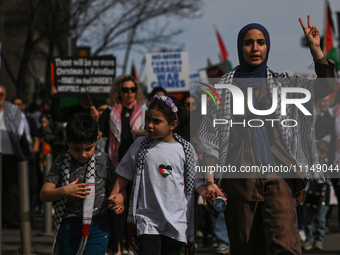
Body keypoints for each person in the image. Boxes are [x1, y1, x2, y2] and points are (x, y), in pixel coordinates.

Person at [198, 16, 335, 254]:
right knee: (246, 247)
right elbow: (210, 142)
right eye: (248, 43)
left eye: (261, 42)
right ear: (240, 47)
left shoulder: (284, 85)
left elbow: (326, 86)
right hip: (239, 181)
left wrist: (316, 51)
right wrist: (210, 181)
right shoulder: (221, 90)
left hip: (279, 176)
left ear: (267, 46)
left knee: (285, 246)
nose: (255, 48)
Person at [108, 94, 204, 255]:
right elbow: (124, 175)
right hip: (147, 219)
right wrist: (114, 196)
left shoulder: (185, 150)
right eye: (149, 120)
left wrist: (207, 192)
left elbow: (196, 181)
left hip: (176, 220)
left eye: (157, 121)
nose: (150, 125)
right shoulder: (140, 145)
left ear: (173, 124)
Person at [39, 113, 124, 255]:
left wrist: (119, 199)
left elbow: (117, 187)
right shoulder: (61, 162)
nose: (83, 154)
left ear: (96, 140)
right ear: (67, 142)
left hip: (98, 224)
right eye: (76, 149)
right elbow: (44, 194)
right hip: (69, 225)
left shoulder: (103, 160)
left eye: (88, 148)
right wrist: (65, 190)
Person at [99, 75, 145, 255]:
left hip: (137, 167)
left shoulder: (144, 112)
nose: (129, 93)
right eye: (125, 90)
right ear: (119, 92)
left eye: (132, 89)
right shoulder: (110, 112)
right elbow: (99, 134)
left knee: (134, 208)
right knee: (116, 208)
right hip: (116, 166)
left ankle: (130, 246)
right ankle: (117, 248)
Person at [0, 85, 30, 228]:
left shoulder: (13, 112)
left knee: (11, 189)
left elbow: (20, 132)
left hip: (10, 155)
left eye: (1, 94)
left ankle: (10, 219)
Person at [303, 140, 331, 251]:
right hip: (309, 197)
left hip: (323, 199)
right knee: (308, 220)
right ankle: (309, 240)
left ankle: (319, 240)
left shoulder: (328, 164)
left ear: (323, 154)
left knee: (321, 221)